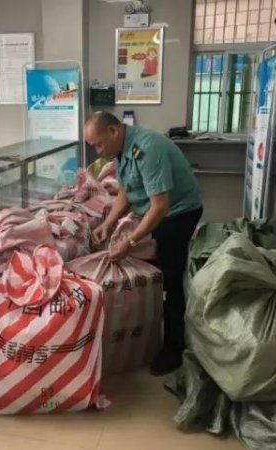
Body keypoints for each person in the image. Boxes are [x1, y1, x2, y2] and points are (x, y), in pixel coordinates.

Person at [85, 111, 203, 375]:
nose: (98, 152)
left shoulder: (148, 149)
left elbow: (160, 207)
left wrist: (129, 241)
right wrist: (108, 224)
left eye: (99, 144)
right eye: (93, 146)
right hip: (157, 210)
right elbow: (127, 191)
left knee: (170, 279)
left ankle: (174, 349)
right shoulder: (121, 152)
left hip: (179, 213)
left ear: (114, 131)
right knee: (155, 269)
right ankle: (149, 330)